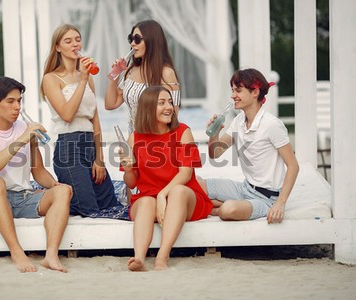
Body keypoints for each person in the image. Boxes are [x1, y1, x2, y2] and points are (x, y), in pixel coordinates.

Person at [0, 76, 72, 273]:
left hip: (23, 198)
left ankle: (51, 255)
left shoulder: (25, 129)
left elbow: (38, 171)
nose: (17, 107)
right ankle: (17, 252)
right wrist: (22, 139)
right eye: (10, 101)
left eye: (19, 101)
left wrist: (54, 185)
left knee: (63, 191)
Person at [119, 86, 213, 272]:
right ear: (148, 108)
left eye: (170, 102)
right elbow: (131, 183)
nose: (169, 107)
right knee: (146, 202)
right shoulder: (134, 138)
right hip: (149, 199)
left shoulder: (183, 132)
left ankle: (162, 257)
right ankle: (139, 258)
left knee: (177, 191)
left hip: (185, 197)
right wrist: (129, 170)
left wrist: (163, 195)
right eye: (162, 103)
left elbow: (185, 174)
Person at [40, 24, 120, 217]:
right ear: (57, 47)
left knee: (110, 204)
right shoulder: (51, 79)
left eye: (77, 39)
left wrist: (99, 159)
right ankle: (56, 203)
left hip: (89, 145)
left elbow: (96, 120)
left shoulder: (87, 77)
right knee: (89, 209)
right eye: (68, 41)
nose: (75, 44)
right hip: (68, 147)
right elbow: (67, 115)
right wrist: (82, 79)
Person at [200, 68, 299, 224]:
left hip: (267, 198)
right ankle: (212, 204)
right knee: (197, 182)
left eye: (238, 90)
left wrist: (280, 203)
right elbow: (215, 154)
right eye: (232, 90)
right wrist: (214, 133)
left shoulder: (271, 125)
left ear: (255, 92)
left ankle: (211, 206)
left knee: (228, 210)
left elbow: (293, 166)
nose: (233, 96)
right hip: (245, 189)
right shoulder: (238, 121)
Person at [105, 19, 180, 134]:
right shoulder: (130, 71)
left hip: (156, 141)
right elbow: (110, 104)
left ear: (152, 41)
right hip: (134, 139)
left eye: (137, 39)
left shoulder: (166, 73)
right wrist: (115, 73)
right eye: (131, 39)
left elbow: (172, 117)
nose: (132, 43)